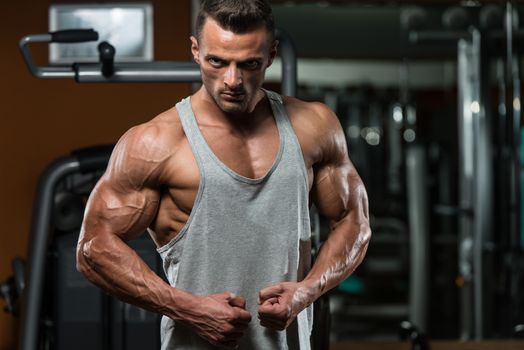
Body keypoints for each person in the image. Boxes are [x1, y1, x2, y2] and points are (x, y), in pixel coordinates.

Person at [76, 0, 371, 349]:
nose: (233, 80)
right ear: (195, 50)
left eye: (249, 64)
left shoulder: (313, 126)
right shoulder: (156, 142)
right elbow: (93, 248)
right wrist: (187, 308)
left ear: (271, 55)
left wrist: (306, 291)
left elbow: (354, 222)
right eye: (217, 61)